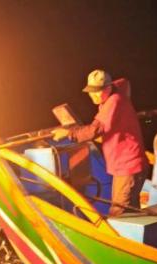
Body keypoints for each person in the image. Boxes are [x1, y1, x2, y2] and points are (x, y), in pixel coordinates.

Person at [52, 69, 147, 216]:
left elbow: (94, 130)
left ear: (108, 88)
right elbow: (122, 82)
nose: (93, 96)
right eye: (91, 91)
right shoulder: (113, 94)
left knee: (118, 213)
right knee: (131, 211)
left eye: (97, 91)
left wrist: (68, 133)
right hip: (127, 166)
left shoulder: (114, 102)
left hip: (128, 166)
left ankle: (114, 239)